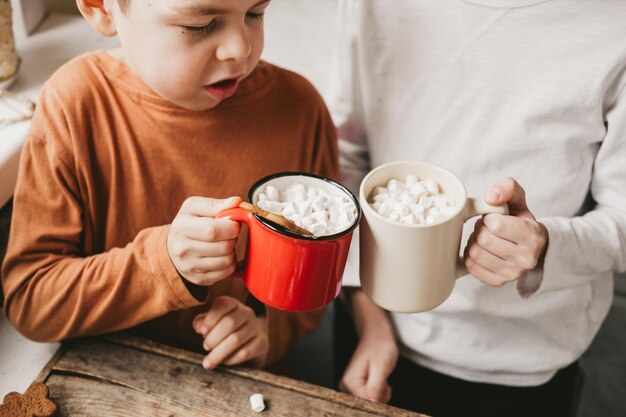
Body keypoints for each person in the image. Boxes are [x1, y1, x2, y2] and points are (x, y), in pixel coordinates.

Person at [1, 0, 340, 371]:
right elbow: (32, 302)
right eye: (201, 25)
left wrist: (265, 333)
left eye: (255, 13)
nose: (240, 48)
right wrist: (163, 265)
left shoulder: (300, 109)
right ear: (101, 9)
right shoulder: (73, 106)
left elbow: (316, 280)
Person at [328, 1, 626, 416]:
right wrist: (368, 315)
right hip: (371, 333)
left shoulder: (615, 26)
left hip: (523, 363)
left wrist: (543, 246)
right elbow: (344, 165)